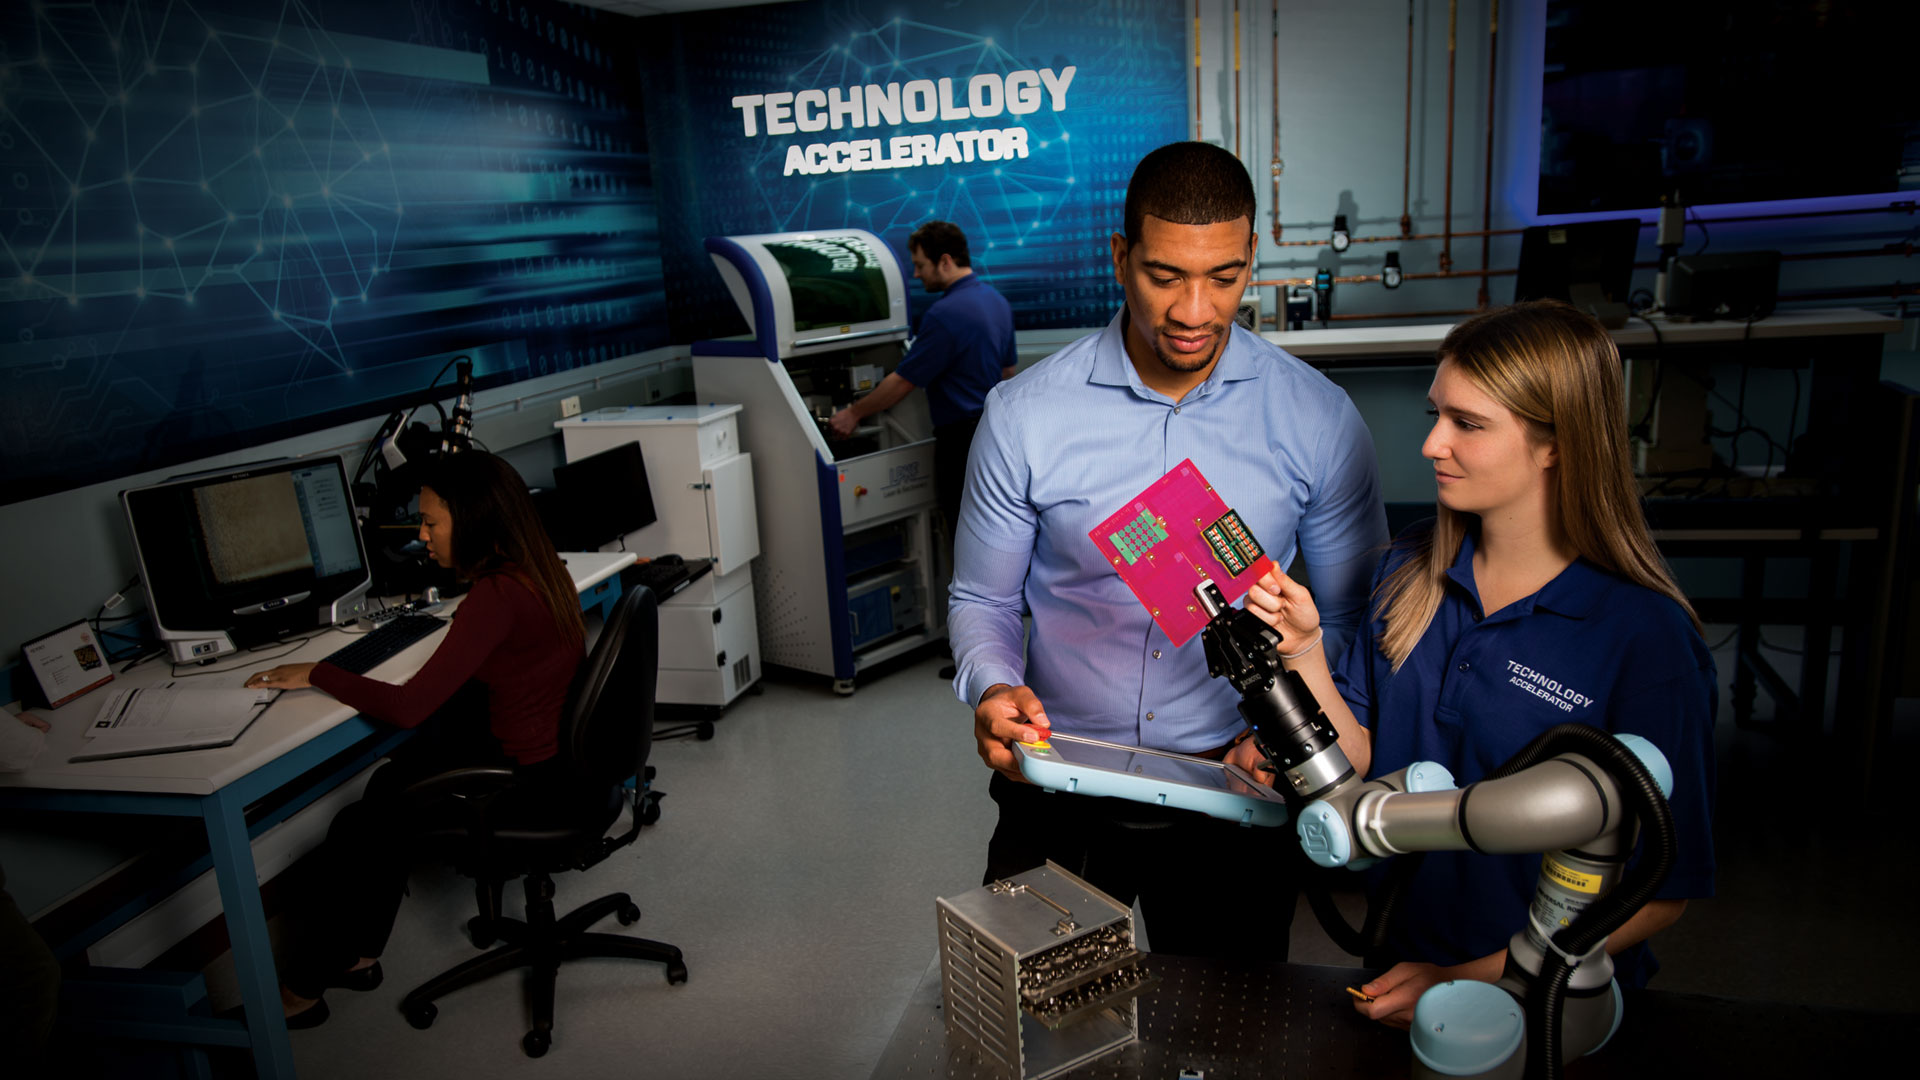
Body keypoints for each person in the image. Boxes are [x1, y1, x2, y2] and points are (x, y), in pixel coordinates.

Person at [950, 141, 1388, 958]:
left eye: (1224, 277)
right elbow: (982, 599)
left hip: (1235, 787)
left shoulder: (1319, 420)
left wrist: (1298, 738)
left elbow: (1355, 619)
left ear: (1253, 257)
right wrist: (994, 685)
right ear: (1120, 258)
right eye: (1164, 276)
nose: (1194, 310)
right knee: (1041, 1020)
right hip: (1060, 781)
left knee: (1230, 1043)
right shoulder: (1023, 416)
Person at [1242, 300, 1717, 1027]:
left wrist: (1475, 980)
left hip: (1553, 1001)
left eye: (1466, 424)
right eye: (1437, 414)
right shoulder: (1407, 568)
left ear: (1555, 443)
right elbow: (1363, 759)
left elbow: (1660, 891)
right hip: (1401, 965)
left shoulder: (1643, 637)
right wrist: (1304, 649)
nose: (1432, 444)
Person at [244, 451, 587, 1027]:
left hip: (526, 781)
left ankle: (303, 989)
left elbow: (408, 708)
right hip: (559, 763)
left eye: (431, 522)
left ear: (474, 519)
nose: (421, 536)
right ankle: (359, 956)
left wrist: (317, 672)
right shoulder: (537, 566)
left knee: (366, 820)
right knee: (390, 787)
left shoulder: (495, 596)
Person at [830, 221, 1016, 562]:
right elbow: (1008, 373)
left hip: (959, 443)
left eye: (920, 265)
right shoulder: (996, 303)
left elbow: (903, 382)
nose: (916, 275)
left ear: (945, 261)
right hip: (997, 436)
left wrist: (854, 413)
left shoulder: (944, 314)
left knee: (963, 535)